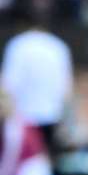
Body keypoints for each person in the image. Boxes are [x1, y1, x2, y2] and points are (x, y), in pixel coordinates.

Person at [1, 22, 73, 162]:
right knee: (48, 161)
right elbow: (65, 89)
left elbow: (8, 85)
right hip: (51, 116)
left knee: (23, 163)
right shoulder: (58, 46)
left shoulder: (17, 45)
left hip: (22, 120)